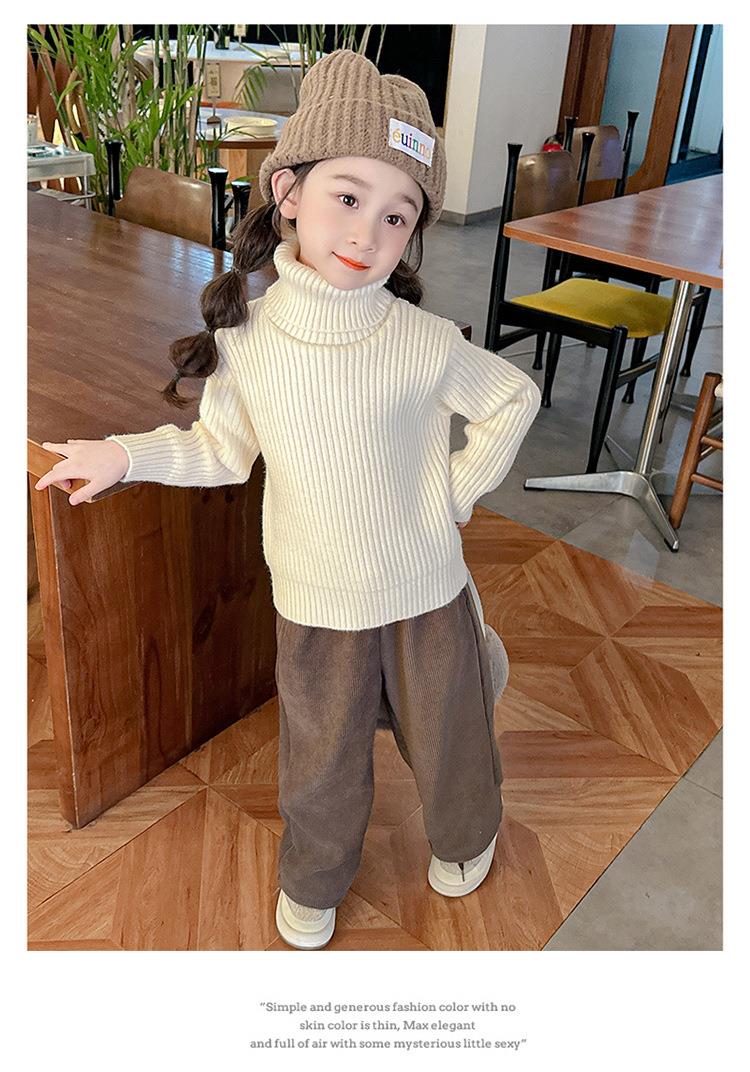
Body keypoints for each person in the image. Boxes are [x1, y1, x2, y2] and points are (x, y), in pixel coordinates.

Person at [34, 49, 542, 950]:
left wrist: (454, 494)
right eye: (348, 197)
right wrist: (123, 454)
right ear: (289, 192)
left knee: (451, 737)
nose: (367, 233)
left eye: (397, 215)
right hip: (313, 600)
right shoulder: (251, 336)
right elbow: (220, 452)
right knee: (320, 757)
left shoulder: (424, 340)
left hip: (426, 590)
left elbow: (513, 396)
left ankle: (468, 832)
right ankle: (313, 881)